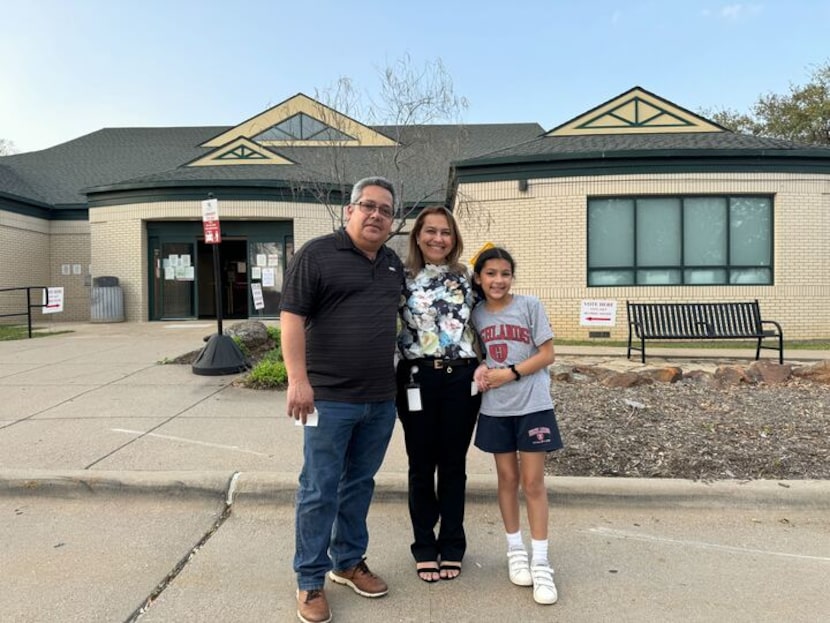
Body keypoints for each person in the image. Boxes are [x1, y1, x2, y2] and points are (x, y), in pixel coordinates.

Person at [280, 176, 405, 623]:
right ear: (349, 211)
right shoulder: (316, 255)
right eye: (368, 206)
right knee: (318, 489)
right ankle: (309, 580)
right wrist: (298, 380)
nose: (376, 215)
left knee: (359, 484)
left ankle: (348, 562)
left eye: (385, 210)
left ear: (392, 221)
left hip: (379, 401)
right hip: (328, 399)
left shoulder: (392, 264)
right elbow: (291, 320)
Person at [470, 247, 563, 606]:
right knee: (507, 480)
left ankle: (540, 561)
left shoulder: (529, 305)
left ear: (513, 276)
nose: (498, 280)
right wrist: (481, 367)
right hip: (496, 408)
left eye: (505, 273)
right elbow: (479, 353)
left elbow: (547, 354)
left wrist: (508, 373)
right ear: (479, 278)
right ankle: (515, 551)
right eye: (490, 273)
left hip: (533, 405)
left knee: (533, 482)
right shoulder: (476, 313)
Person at [396, 206, 481, 583]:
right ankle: (423, 546)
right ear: (417, 236)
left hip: (461, 382)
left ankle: (452, 544)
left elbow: (491, 319)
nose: (438, 239)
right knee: (420, 466)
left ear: (454, 238)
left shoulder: (469, 279)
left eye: (445, 232)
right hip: (417, 380)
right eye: (430, 231)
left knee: (453, 466)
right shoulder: (400, 278)